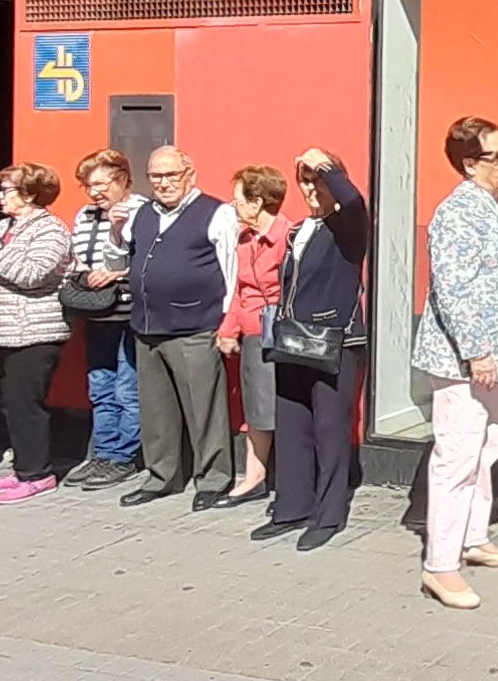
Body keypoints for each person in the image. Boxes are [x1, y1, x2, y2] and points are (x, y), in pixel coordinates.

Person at [413, 117, 498, 609]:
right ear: (470, 165)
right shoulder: (458, 213)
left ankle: (472, 538)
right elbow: (454, 289)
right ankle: (440, 565)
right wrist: (476, 350)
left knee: (486, 448)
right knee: (457, 456)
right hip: (466, 358)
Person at [255, 149, 370, 552]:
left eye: (317, 179)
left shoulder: (348, 225)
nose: (311, 188)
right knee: (293, 424)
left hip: (334, 340)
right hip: (292, 340)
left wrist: (326, 166)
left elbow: (352, 200)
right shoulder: (300, 230)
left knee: (329, 429)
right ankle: (292, 506)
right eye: (304, 181)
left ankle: (330, 513)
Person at [123, 146, 240, 510]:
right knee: (156, 411)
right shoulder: (141, 213)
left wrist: (227, 324)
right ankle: (162, 477)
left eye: (171, 175)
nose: (163, 183)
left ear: (190, 175)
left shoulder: (216, 213)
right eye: (156, 176)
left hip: (195, 327)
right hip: (147, 326)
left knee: (203, 410)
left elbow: (231, 271)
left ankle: (213, 479)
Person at [0, 163, 73, 505]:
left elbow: (31, 274)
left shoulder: (51, 230)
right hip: (3, 329)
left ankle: (38, 474)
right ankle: (24, 468)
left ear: (29, 194)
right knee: (11, 405)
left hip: (35, 331)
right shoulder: (4, 225)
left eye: (7, 190)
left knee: (27, 405)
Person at [62, 150, 144, 490]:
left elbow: (148, 260)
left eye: (100, 183)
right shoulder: (85, 215)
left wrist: (115, 273)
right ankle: (104, 452)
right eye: (88, 185)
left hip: (128, 313)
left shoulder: (143, 211)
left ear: (123, 179)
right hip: (96, 313)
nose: (94, 192)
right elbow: (77, 255)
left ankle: (124, 457)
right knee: (100, 386)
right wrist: (80, 270)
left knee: (128, 388)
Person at [216, 163, 293, 508]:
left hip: (282, 336)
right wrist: (229, 329)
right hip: (252, 334)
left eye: (238, 199)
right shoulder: (245, 239)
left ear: (257, 201)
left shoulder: (287, 237)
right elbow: (240, 291)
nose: (232, 205)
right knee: (256, 409)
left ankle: (290, 478)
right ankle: (254, 476)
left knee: (284, 408)